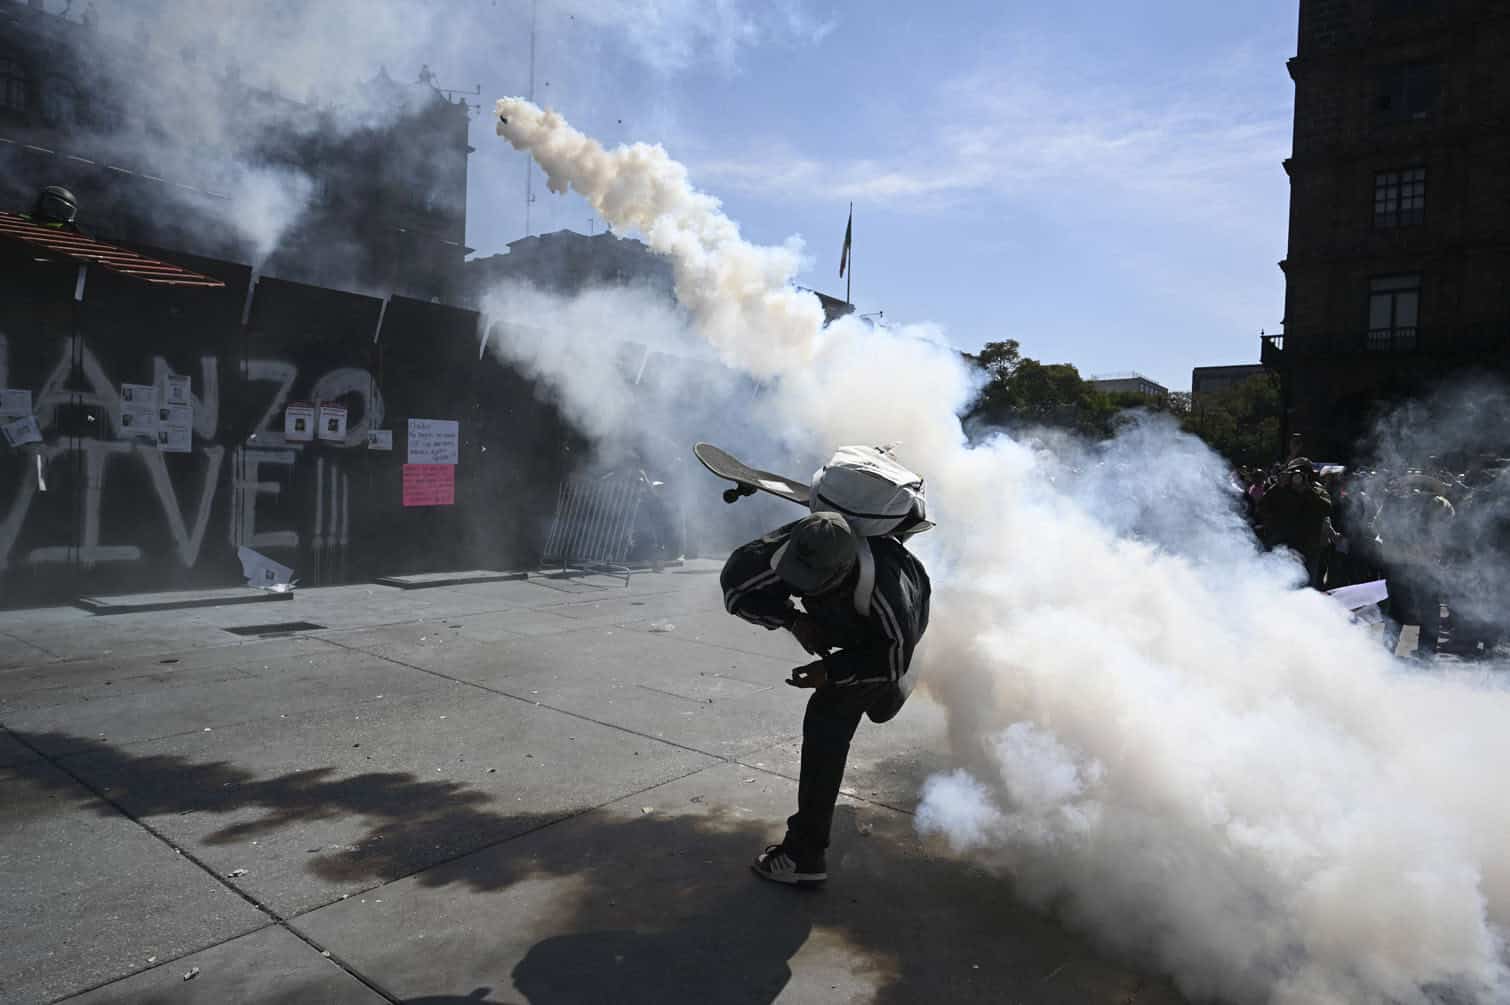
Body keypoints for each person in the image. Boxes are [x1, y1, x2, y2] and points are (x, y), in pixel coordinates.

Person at [720, 511, 930, 886]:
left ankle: (906, 677)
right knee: (828, 720)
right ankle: (805, 854)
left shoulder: (891, 588)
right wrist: (794, 620)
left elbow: (893, 654)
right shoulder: (783, 550)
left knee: (876, 701)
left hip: (886, 638)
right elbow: (736, 589)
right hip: (846, 618)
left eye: (815, 584)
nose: (803, 587)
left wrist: (832, 671)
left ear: (844, 569)